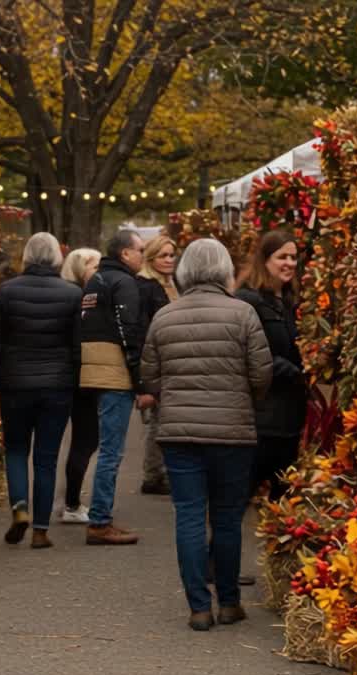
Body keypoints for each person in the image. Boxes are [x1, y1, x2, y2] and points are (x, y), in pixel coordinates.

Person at [141, 238, 272, 631]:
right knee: (229, 518)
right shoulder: (243, 313)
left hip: (179, 433)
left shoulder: (165, 316)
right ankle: (230, 602)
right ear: (224, 269)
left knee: (190, 517)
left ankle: (199, 607)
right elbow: (261, 373)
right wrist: (245, 400)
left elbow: (150, 376)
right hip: (232, 431)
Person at [0, 233, 83, 549]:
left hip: (15, 384)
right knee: (46, 457)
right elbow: (78, 346)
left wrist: (0, 377)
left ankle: (19, 508)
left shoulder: (7, 292)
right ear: (56, 258)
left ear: (26, 256)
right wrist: (72, 380)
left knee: (15, 449)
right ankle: (40, 530)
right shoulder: (72, 294)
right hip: (57, 386)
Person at [79, 229, 147, 545]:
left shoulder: (96, 280)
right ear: (125, 254)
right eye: (141, 251)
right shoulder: (124, 283)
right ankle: (100, 521)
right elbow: (129, 331)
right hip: (115, 373)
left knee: (105, 447)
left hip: (94, 369)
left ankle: (100, 516)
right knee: (112, 450)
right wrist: (140, 378)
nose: (143, 256)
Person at [236, 229, 308, 502]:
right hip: (261, 417)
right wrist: (293, 371)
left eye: (293, 257)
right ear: (265, 260)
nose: (289, 263)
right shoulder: (249, 300)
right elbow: (250, 352)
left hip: (289, 417)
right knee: (241, 494)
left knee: (283, 501)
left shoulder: (291, 302)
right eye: (282, 257)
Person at [58, 248, 102, 524]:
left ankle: (65, 500)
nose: (100, 273)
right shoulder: (80, 299)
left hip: (68, 376)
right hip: (79, 377)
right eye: (95, 267)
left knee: (80, 440)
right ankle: (71, 503)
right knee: (85, 439)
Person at [135, 235, 178, 495]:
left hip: (169, 360)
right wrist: (143, 382)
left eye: (172, 255)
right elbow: (143, 331)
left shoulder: (169, 284)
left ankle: (158, 472)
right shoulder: (146, 286)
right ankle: (153, 474)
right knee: (159, 422)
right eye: (163, 255)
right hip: (157, 361)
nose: (169, 260)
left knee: (164, 419)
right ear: (151, 259)